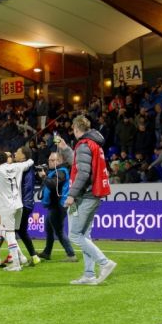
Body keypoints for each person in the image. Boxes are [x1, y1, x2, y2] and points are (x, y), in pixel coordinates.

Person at [58, 116, 117, 285]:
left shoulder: (84, 144)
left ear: (76, 128)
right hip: (94, 194)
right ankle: (89, 274)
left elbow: (83, 173)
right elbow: (80, 165)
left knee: (75, 235)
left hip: (86, 195)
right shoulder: (93, 143)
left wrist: (71, 195)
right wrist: (66, 149)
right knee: (84, 235)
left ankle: (104, 263)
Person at [38, 151, 76, 262]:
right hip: (54, 205)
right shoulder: (57, 171)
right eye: (49, 160)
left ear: (58, 161)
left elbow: (53, 184)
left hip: (58, 205)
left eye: (52, 160)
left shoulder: (61, 172)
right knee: (49, 229)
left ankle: (71, 254)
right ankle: (47, 252)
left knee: (58, 230)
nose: (49, 162)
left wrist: (44, 177)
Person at [12, 146, 41, 266]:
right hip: (27, 203)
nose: (15, 153)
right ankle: (34, 257)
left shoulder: (24, 168)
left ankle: (17, 258)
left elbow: (26, 187)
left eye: (17, 152)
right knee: (21, 231)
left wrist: (21, 203)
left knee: (10, 231)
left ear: (23, 156)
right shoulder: (27, 167)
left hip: (23, 203)